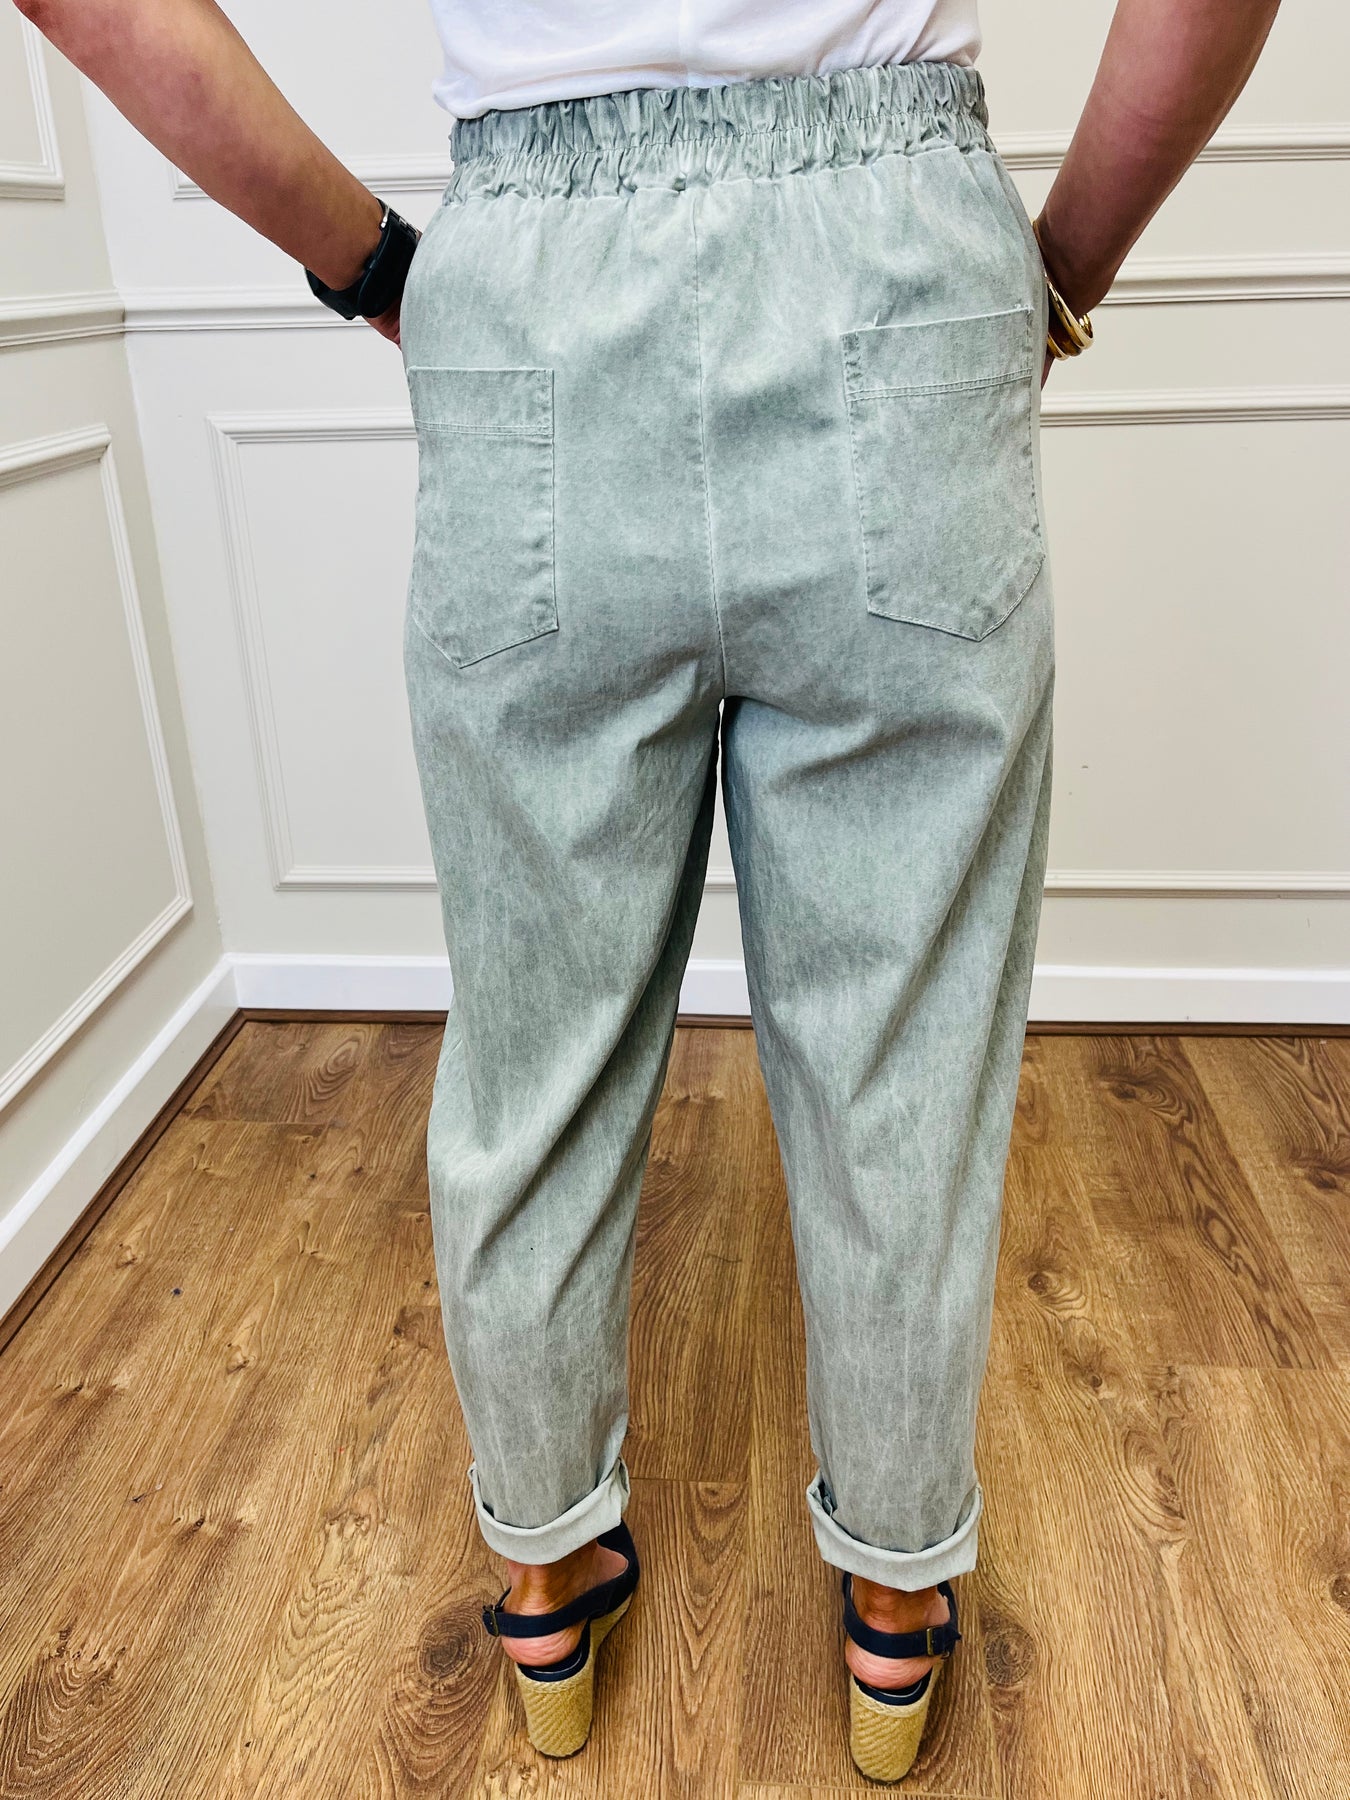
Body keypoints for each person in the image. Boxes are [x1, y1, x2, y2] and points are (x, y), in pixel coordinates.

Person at [20, 0, 1283, 1780]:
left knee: (534, 1043)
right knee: (900, 1051)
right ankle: (895, 1600)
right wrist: (1052, 272)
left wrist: (370, 264)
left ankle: (543, 1576)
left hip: (532, 293)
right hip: (895, 261)